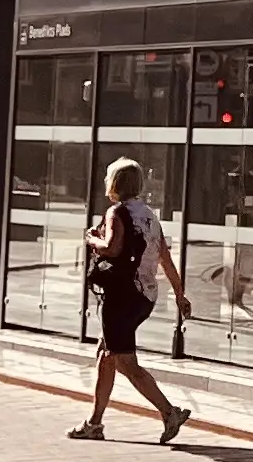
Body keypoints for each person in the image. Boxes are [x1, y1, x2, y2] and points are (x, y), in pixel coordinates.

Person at [75, 157, 194, 444]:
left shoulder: (117, 212)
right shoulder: (149, 215)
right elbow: (165, 257)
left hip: (122, 296)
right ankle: (94, 422)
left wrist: (91, 239)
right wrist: (179, 294)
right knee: (107, 355)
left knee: (125, 361)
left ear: (114, 183)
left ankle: (169, 412)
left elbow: (111, 248)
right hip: (144, 296)